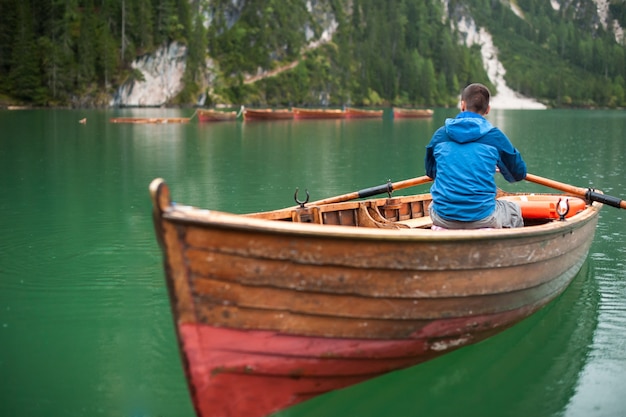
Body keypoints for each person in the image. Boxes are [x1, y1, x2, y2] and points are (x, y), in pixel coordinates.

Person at [425, 83, 526, 229]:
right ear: (487, 110)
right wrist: (498, 165)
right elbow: (518, 173)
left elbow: (431, 172)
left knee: (433, 204)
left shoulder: (441, 135)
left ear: (462, 105)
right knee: (514, 211)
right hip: (483, 217)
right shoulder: (495, 137)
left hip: (444, 217)